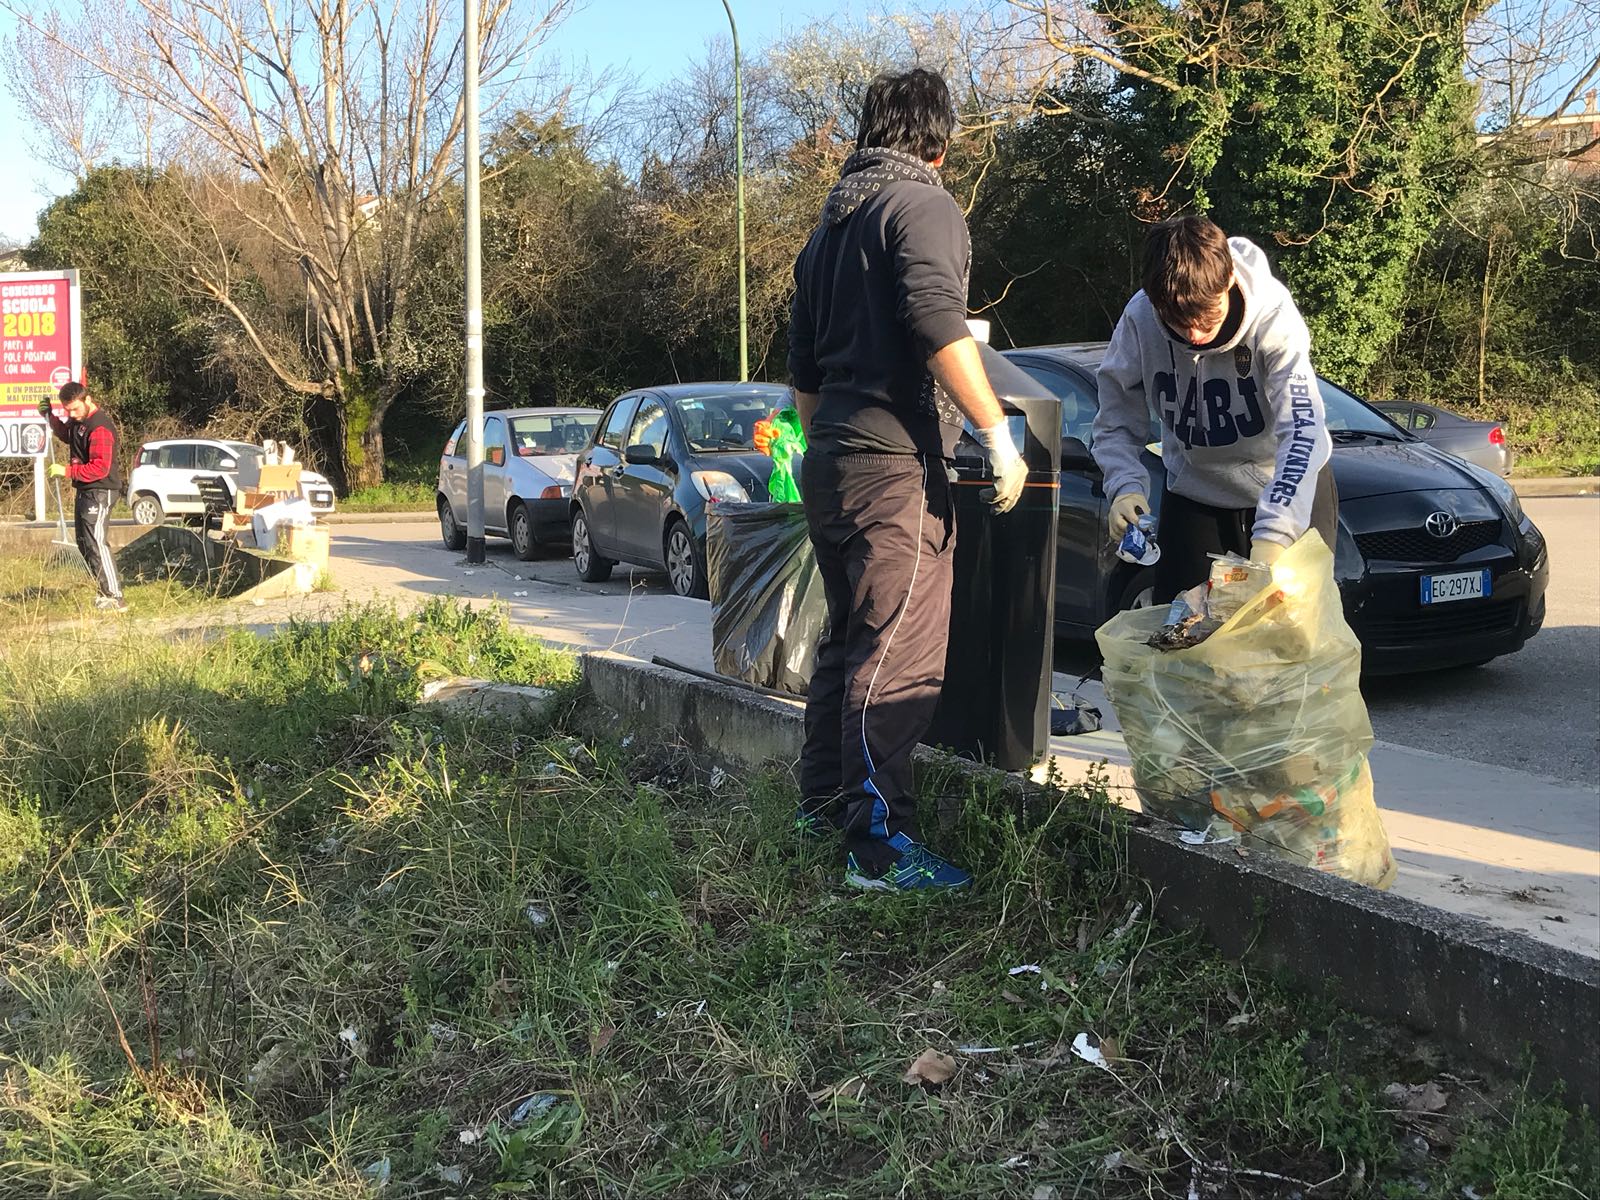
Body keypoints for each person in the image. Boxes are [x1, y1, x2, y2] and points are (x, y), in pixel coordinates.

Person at [787, 67, 1028, 892]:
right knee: (896, 654)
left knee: (849, 643)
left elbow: (805, 376)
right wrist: (996, 432)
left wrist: (831, 455)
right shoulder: (921, 205)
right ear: (941, 140)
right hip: (896, 469)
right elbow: (936, 319)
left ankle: (823, 811)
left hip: (832, 464)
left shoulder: (826, 231)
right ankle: (880, 846)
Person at [1093, 215, 1336, 601]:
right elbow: (1115, 418)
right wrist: (1124, 486)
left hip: (1283, 486)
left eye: (1206, 316)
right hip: (1196, 492)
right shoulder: (1140, 318)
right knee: (1185, 636)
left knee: (1289, 642)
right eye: (1175, 319)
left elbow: (1302, 429)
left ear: (1227, 282)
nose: (1193, 334)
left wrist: (1274, 536)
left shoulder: (1273, 319)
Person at [41, 381, 127, 611]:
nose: (72, 415)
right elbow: (68, 434)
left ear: (87, 400)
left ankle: (115, 596)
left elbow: (100, 468)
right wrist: (49, 416)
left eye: (75, 409)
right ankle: (103, 592)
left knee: (96, 542)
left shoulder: (100, 428)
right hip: (85, 489)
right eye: (67, 411)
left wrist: (66, 471)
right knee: (84, 543)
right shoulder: (79, 422)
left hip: (101, 490)